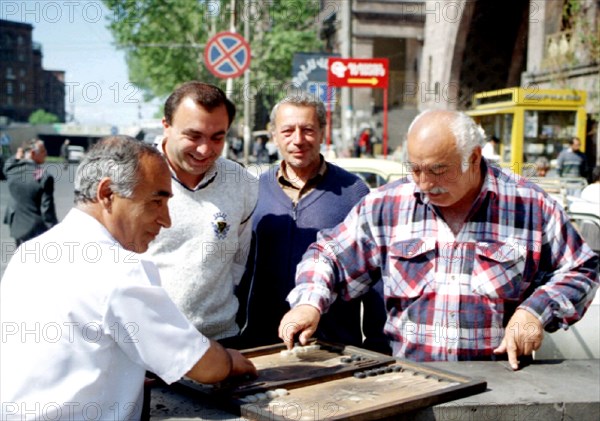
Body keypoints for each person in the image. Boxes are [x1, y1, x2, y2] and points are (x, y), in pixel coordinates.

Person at [278, 110, 598, 370]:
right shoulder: (387, 205)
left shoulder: (529, 205)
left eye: (438, 170)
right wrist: (309, 303)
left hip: (500, 386)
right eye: (416, 169)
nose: (425, 183)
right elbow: (327, 255)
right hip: (407, 380)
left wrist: (535, 312)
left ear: (473, 158)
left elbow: (582, 268)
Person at [1, 135, 257, 420]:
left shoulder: (32, 252)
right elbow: (203, 366)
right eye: (156, 202)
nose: (166, 220)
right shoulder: (119, 270)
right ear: (108, 193)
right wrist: (231, 362)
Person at [237, 92, 389, 353]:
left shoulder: (354, 191)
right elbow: (240, 270)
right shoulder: (253, 191)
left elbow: (376, 276)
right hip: (261, 345)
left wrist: (378, 343)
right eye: (287, 131)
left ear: (321, 133)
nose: (298, 140)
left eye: (307, 129)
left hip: (335, 347)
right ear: (273, 135)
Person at [144, 81, 259, 342]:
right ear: (166, 127)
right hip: (149, 347)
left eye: (217, 137)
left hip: (222, 342)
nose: (205, 149)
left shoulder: (242, 182)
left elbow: (238, 260)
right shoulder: (133, 178)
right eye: (193, 136)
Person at [4, 139, 58, 246]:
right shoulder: (44, 177)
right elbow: (47, 210)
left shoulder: (11, 169)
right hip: (36, 228)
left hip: (16, 224)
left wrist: (17, 155)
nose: (46, 153)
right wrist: (54, 230)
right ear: (33, 153)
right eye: (43, 151)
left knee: (21, 256)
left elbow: (7, 165)